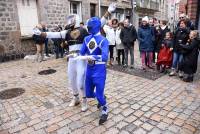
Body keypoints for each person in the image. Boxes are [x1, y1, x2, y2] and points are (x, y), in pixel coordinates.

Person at [32, 3, 116, 112]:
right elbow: (53, 34)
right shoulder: (66, 32)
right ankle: (76, 98)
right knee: (71, 80)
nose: (68, 22)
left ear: (75, 20)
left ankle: (85, 100)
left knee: (81, 82)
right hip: (71, 58)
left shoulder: (84, 29)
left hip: (81, 58)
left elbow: (99, 23)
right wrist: (40, 33)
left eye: (71, 19)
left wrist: (108, 12)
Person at [76, 16, 109, 125]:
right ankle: (102, 97)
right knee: (89, 93)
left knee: (99, 96)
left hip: (99, 71)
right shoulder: (86, 38)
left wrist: (89, 57)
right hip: (89, 70)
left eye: (90, 27)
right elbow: (81, 52)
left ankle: (105, 108)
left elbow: (104, 58)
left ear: (96, 27)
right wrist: (74, 55)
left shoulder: (104, 40)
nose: (89, 28)